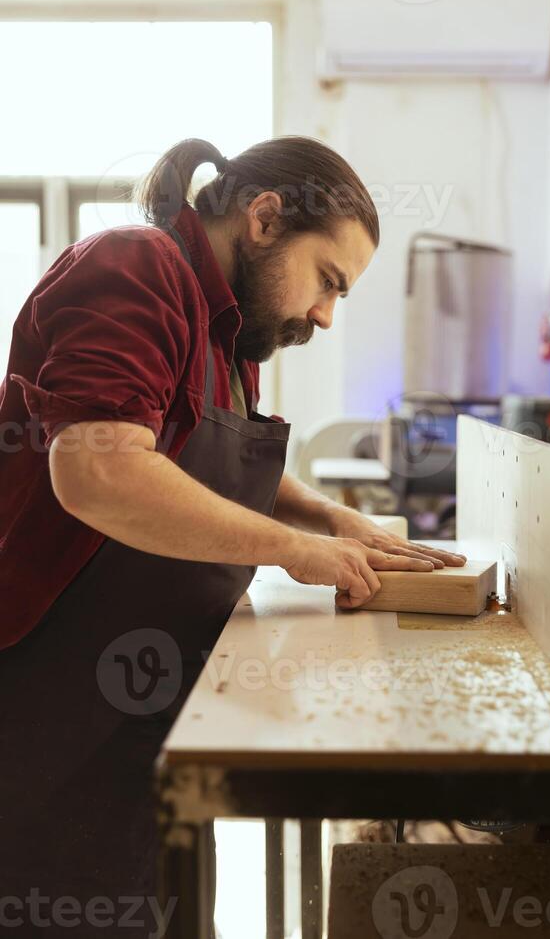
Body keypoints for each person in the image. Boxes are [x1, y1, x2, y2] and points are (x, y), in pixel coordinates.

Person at [0, 135, 466, 936]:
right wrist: (296, 551)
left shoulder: (231, 334)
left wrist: (329, 518)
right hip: (49, 709)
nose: (323, 314)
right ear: (263, 218)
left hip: (154, 703)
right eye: (328, 281)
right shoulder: (132, 269)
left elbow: (194, 456)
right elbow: (100, 470)